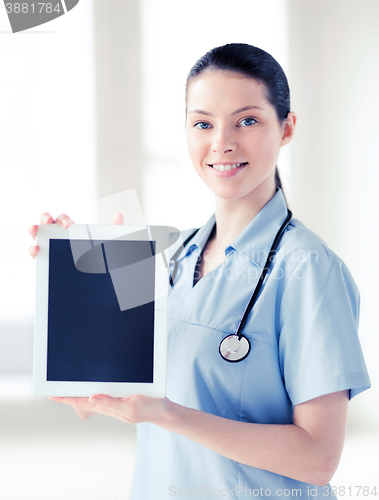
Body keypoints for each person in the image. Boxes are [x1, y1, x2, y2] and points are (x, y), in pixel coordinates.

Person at [29, 43, 370, 498]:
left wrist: (167, 413)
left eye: (247, 121)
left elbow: (318, 459)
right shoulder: (163, 255)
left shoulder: (310, 270)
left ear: (286, 128)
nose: (222, 142)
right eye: (203, 123)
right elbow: (99, 398)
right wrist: (72, 279)